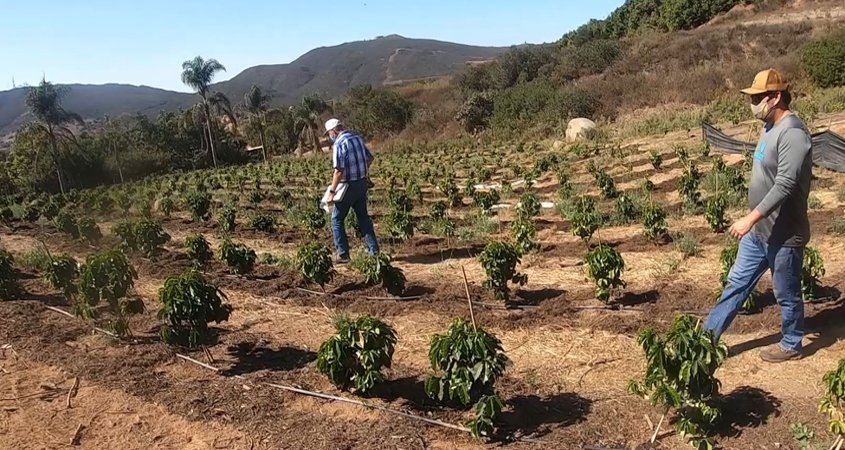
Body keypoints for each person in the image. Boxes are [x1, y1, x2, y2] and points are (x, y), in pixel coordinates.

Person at [705, 69, 813, 363]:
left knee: (786, 294)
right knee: (736, 284)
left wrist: (750, 218)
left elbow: (786, 184)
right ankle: (707, 339)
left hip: (784, 234)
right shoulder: (768, 128)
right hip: (759, 233)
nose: (753, 103)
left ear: (775, 97)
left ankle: (792, 343)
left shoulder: (793, 133)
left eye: (757, 98)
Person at [325, 118, 379, 263]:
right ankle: (374, 251)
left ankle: (343, 254)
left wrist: (331, 192)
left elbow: (338, 171)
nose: (329, 136)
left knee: (337, 219)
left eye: (329, 133)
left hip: (347, 187)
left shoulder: (339, 143)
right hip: (361, 183)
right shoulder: (357, 138)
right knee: (363, 218)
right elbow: (370, 158)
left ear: (334, 131)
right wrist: (362, 171)